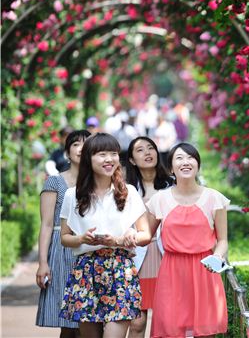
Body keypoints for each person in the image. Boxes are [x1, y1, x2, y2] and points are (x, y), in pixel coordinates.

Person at [59, 133, 152, 338]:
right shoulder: (71, 195)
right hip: (86, 271)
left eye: (113, 153)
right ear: (88, 159)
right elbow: (64, 237)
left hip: (120, 269)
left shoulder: (128, 192)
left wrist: (121, 239)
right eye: (102, 154)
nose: (109, 159)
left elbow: (145, 234)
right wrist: (82, 239)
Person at [146, 142, 230, 337]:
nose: (185, 162)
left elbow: (223, 240)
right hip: (172, 271)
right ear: (171, 167)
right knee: (169, 329)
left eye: (190, 157)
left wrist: (217, 257)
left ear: (198, 164)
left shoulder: (214, 198)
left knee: (205, 331)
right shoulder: (160, 200)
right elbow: (145, 235)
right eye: (179, 158)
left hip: (204, 271)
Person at [36, 129, 91, 338]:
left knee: (91, 319)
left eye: (87, 144)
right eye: (76, 144)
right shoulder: (55, 182)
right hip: (62, 251)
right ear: (67, 152)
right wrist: (43, 262)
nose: (82, 148)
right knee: (68, 322)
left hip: (91, 251)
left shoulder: (100, 182)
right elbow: (47, 224)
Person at [125, 137, 173, 338]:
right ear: (132, 160)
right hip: (136, 258)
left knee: (169, 320)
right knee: (137, 322)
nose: (147, 152)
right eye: (140, 150)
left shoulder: (173, 185)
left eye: (151, 148)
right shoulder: (125, 189)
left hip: (168, 258)